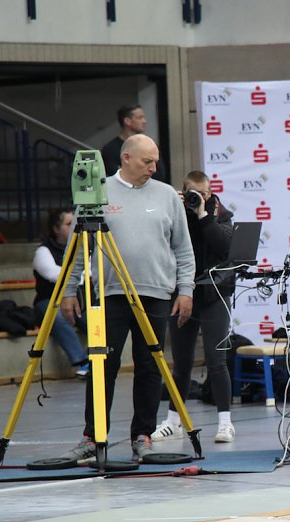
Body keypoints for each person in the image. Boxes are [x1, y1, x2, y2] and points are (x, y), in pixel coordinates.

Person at [61, 134, 195, 462]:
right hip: (109, 294)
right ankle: (93, 437)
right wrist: (68, 289)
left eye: (156, 161)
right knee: (101, 365)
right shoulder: (97, 192)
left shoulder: (166, 196)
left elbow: (183, 248)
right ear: (126, 158)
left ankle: (143, 435)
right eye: (147, 161)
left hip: (156, 293)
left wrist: (186, 289)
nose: (154, 167)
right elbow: (77, 247)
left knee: (150, 367)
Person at [151, 171, 236, 444]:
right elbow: (161, 243)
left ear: (210, 193)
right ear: (183, 191)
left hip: (214, 294)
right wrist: (178, 208)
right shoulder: (175, 212)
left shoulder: (220, 214)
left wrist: (203, 215)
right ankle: (173, 421)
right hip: (182, 294)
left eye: (203, 193)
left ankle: (225, 423)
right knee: (182, 363)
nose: (198, 198)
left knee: (217, 360)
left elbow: (224, 247)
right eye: (192, 193)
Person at [32, 208, 89, 378]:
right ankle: (81, 361)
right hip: (49, 301)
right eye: (69, 224)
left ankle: (95, 360)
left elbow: (93, 270)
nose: (74, 228)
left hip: (79, 302)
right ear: (56, 228)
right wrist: (81, 275)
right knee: (57, 316)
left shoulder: (83, 247)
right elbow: (54, 274)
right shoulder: (43, 251)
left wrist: (81, 274)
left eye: (76, 224)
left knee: (100, 318)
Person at [100, 104, 166, 182]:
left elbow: (160, 176)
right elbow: (118, 177)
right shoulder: (109, 149)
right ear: (127, 121)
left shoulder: (151, 146)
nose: (144, 121)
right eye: (140, 118)